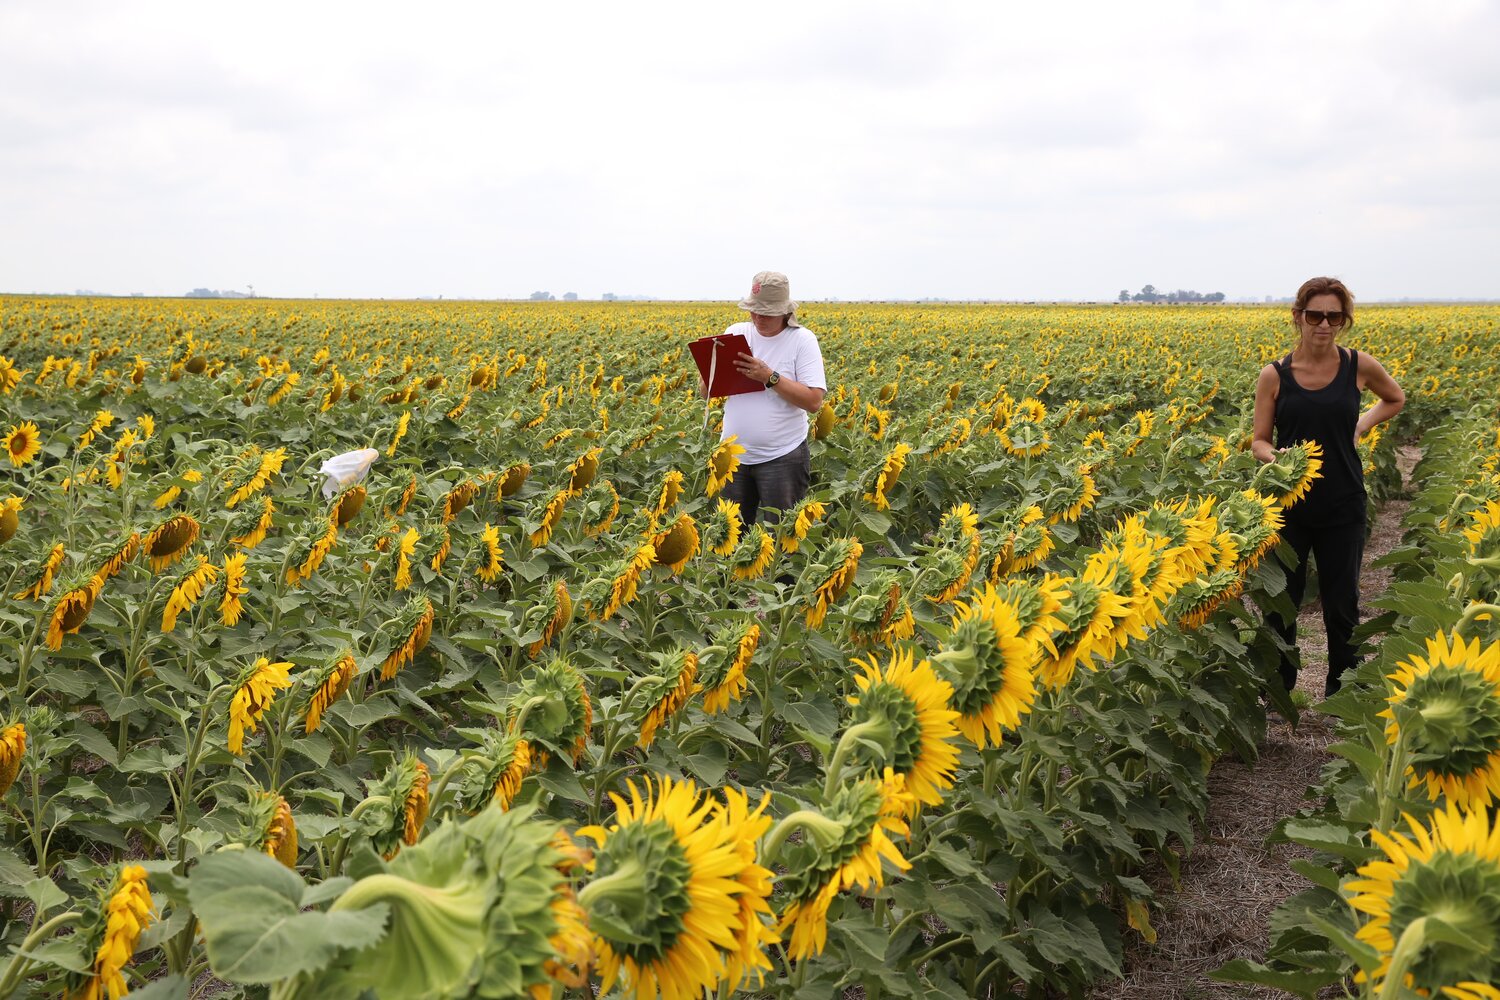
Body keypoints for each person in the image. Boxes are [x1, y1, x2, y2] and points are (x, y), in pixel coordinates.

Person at [1251, 276, 1405, 697]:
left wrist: (1362, 424)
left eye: (1333, 316)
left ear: (1343, 321)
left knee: (1342, 605)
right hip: (1288, 505)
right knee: (1282, 603)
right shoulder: (1275, 374)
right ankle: (1277, 692)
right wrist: (1273, 457)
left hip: (1343, 500)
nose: (1323, 324)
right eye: (1315, 314)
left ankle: (1344, 693)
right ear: (1298, 317)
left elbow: (1395, 397)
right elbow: (1259, 439)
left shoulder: (1358, 365)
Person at [711, 271, 827, 525]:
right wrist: (708, 372)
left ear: (784, 311)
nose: (757, 317)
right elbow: (707, 391)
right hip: (733, 458)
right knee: (728, 536)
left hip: (782, 457)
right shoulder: (736, 333)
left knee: (782, 540)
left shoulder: (802, 341)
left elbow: (813, 401)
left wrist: (769, 377)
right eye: (754, 310)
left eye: (766, 312)